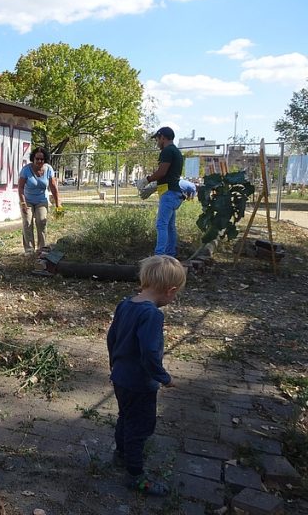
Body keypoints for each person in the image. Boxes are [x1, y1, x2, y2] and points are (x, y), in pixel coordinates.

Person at [107, 254, 186, 496]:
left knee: (126, 416)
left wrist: (115, 363)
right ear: (170, 291)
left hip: (120, 377)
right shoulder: (152, 315)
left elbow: (111, 338)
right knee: (140, 427)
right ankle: (135, 475)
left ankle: (121, 454)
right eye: (176, 294)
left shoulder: (125, 304)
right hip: (140, 383)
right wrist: (164, 377)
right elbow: (150, 354)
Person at [145, 126, 184, 256]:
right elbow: (169, 176)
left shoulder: (167, 151)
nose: (157, 142)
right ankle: (170, 255)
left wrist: (148, 180)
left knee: (161, 225)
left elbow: (162, 172)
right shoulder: (176, 151)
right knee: (170, 227)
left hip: (169, 194)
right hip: (174, 194)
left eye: (157, 139)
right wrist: (155, 186)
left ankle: (159, 256)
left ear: (163, 137)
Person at [18, 146, 61, 254]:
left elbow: (53, 187)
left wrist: (58, 204)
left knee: (41, 221)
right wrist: (23, 203)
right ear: (33, 158)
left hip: (42, 200)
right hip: (27, 200)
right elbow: (20, 188)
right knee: (27, 222)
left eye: (42, 159)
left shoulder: (48, 169)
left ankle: (42, 249)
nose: (39, 161)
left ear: (44, 159)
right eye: (37, 158)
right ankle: (29, 250)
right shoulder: (26, 170)